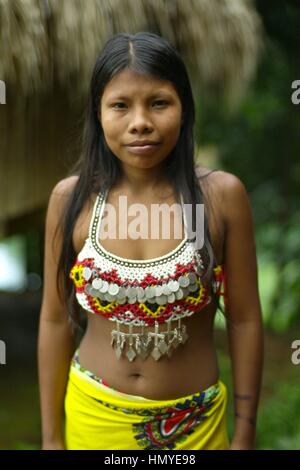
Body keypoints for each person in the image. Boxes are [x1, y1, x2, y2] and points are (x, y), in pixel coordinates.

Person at [38, 32, 264, 450]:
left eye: (158, 102)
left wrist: (245, 431)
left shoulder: (220, 197)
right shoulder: (70, 200)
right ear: (98, 113)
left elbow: (246, 318)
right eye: (120, 105)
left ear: (183, 109)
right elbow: (54, 319)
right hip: (92, 418)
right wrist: (51, 438)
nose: (140, 121)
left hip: (194, 427)